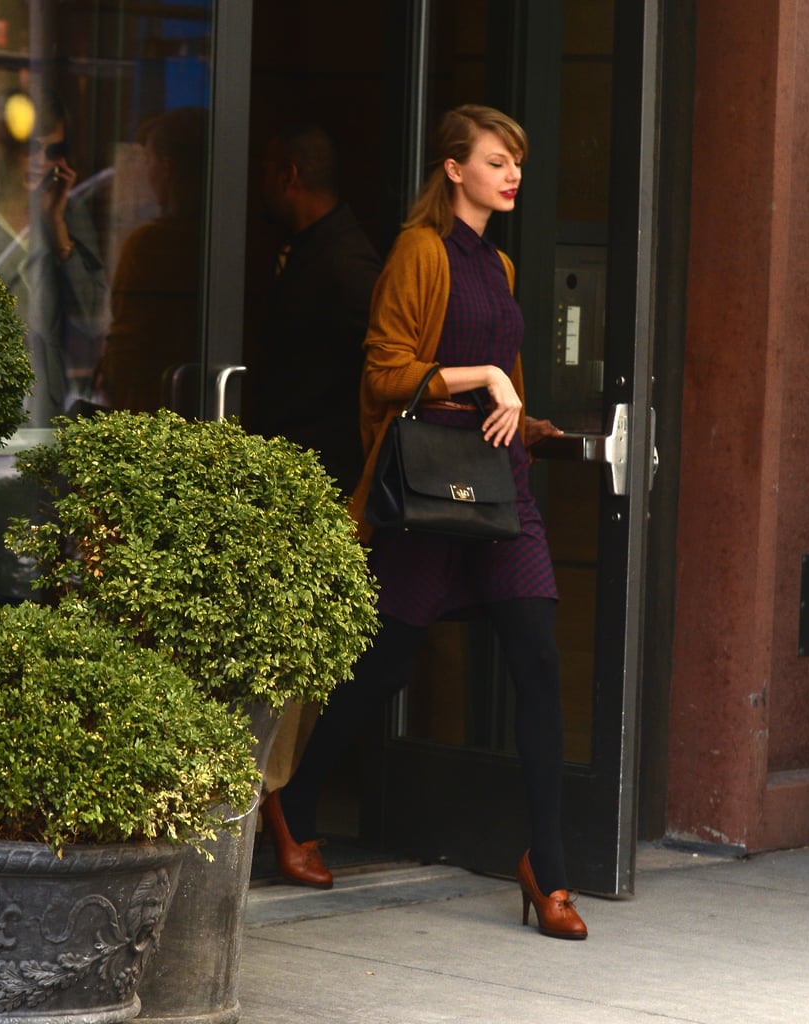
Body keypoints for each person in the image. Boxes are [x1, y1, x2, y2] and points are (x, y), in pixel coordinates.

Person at [262, 104, 587, 941]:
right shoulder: (420, 252)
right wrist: (482, 375)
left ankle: (547, 870)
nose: (511, 174)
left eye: (517, 161)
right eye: (494, 160)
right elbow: (384, 376)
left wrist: (527, 417)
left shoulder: (500, 266)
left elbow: (504, 385)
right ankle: (294, 805)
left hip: (498, 482)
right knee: (385, 664)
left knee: (539, 661)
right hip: (430, 491)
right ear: (453, 169)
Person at [249, 124, 382, 493]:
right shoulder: (305, 246)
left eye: (265, 172)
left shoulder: (347, 264)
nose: (260, 184)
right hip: (292, 458)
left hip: (322, 467)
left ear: (288, 175)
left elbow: (382, 357)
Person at [0, 88, 106, 425]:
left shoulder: (67, 213)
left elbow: (96, 313)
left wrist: (57, 226)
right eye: (30, 147)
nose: (41, 160)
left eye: (53, 149)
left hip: (45, 403)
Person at [99, 107, 206, 414]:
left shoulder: (149, 246)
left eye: (148, 160)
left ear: (167, 167)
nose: (144, 172)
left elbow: (125, 354)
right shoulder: (233, 242)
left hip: (151, 415)